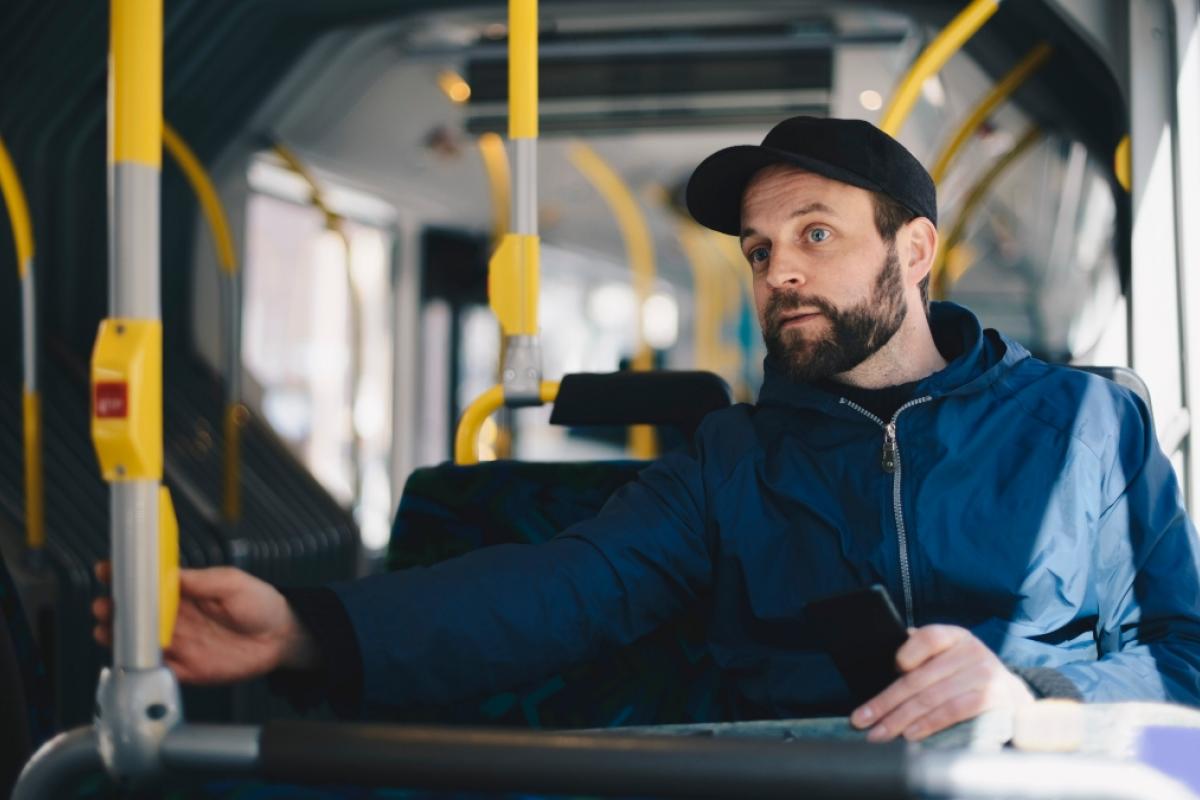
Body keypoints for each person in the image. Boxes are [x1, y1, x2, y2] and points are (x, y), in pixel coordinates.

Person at [94, 116, 1200, 743]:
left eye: (815, 234)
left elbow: (1185, 658)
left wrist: (1033, 697)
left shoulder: (1088, 426)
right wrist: (307, 629)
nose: (780, 271)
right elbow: (562, 590)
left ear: (912, 252)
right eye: (760, 251)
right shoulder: (734, 459)